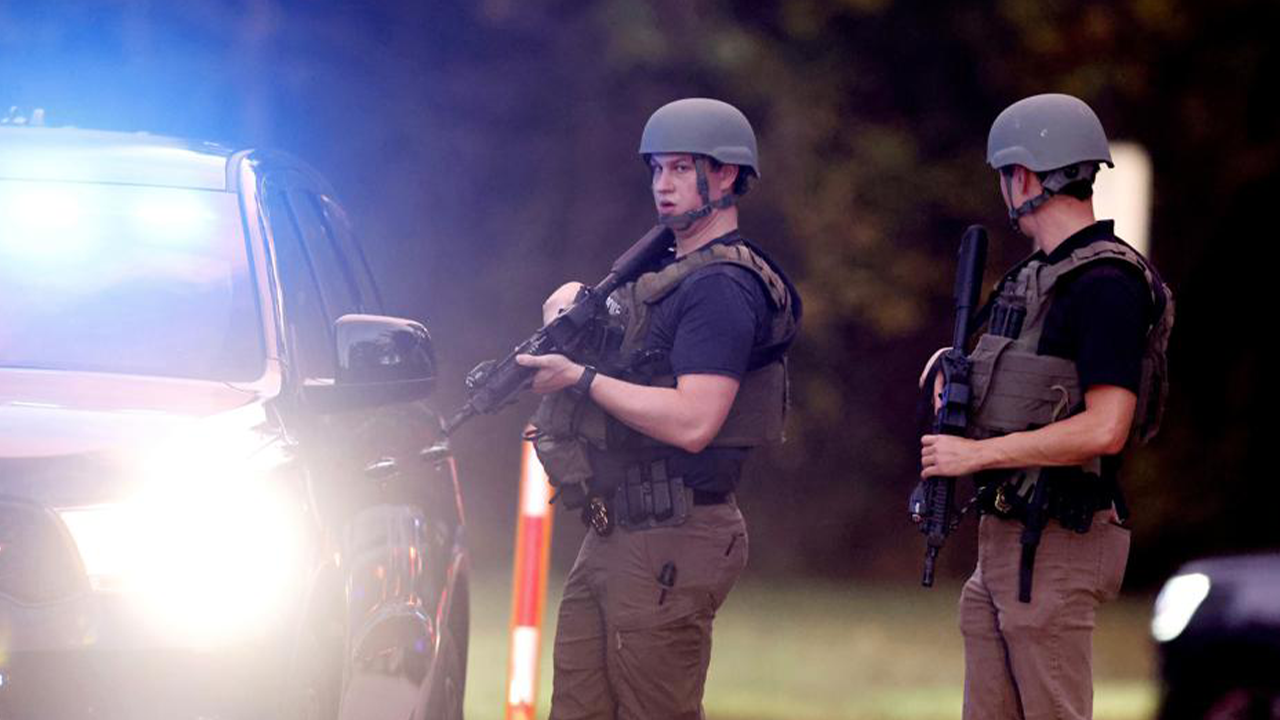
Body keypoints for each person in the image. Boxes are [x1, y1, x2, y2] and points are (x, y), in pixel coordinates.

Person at [515, 97, 801, 720]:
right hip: (615, 525)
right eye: (656, 170)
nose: (662, 186)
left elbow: (694, 421)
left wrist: (580, 377)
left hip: (675, 530)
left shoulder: (721, 288)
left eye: (679, 169)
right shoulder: (663, 274)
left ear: (724, 176)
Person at [919, 93, 1174, 720]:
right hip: (1006, 536)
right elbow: (1022, 388)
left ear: (1025, 177)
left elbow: (1107, 427)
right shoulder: (1032, 279)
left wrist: (975, 454)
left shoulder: (1105, 287)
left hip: (1059, 540)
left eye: (1005, 174)